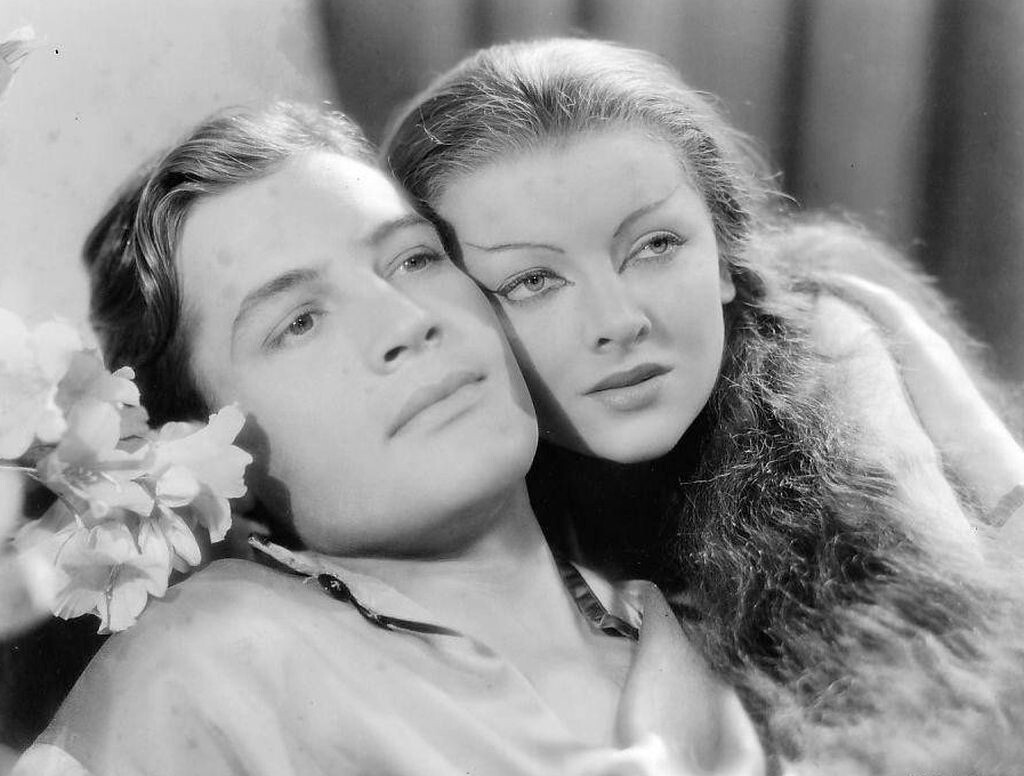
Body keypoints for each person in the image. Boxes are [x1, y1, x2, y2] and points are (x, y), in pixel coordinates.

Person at [13, 102, 769, 776]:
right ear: (205, 451)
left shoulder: (734, 640)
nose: (407, 321)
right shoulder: (204, 672)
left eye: (414, 259)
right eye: (299, 322)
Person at [382, 38, 1024, 772]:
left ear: (724, 258)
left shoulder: (828, 366)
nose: (618, 321)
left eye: (655, 245)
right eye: (532, 281)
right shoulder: (439, 483)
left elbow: (952, 681)